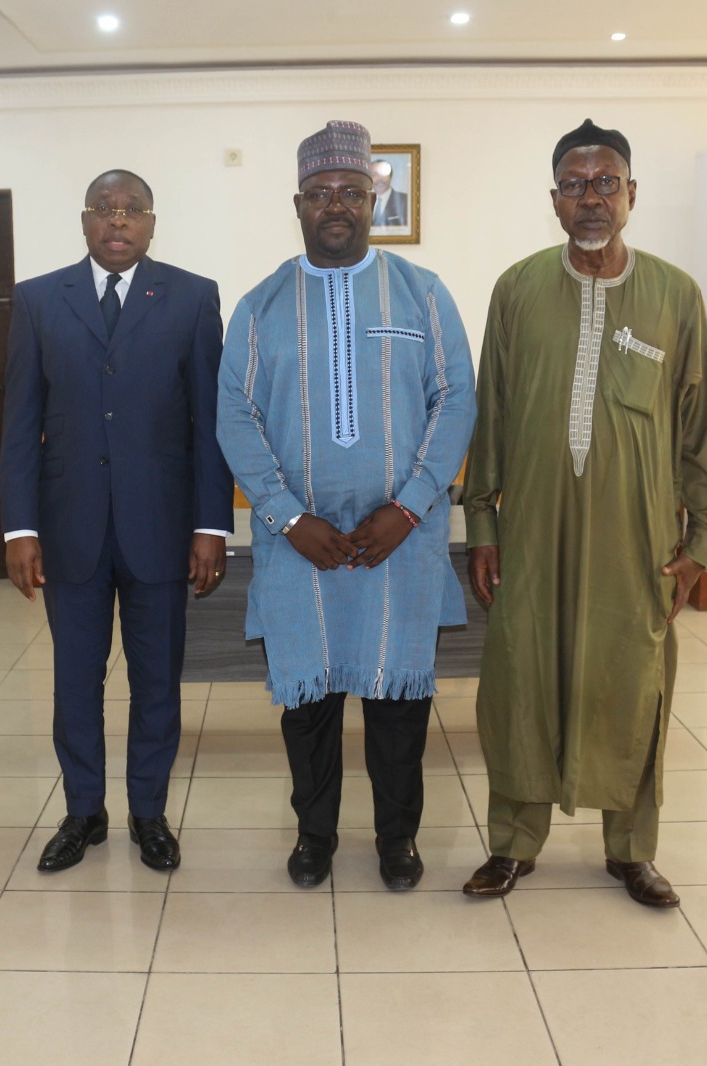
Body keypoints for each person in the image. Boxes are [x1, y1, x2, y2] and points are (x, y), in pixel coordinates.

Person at [461, 119, 707, 908]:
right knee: (522, 682)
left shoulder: (674, 295)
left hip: (634, 537)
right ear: (554, 200)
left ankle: (631, 851)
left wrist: (702, 543)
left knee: (631, 683)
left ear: (631, 194)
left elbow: (699, 427)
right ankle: (513, 845)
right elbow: (491, 414)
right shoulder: (517, 289)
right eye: (575, 185)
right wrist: (482, 527)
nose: (591, 199)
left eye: (606, 183)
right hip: (533, 533)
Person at [217, 120, 476, 891]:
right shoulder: (261, 306)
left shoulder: (423, 294)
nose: (336, 205)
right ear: (298, 204)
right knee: (310, 705)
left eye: (352, 192)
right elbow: (235, 415)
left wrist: (412, 505)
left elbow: (456, 400)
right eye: (321, 193)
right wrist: (287, 516)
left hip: (401, 540)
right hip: (300, 545)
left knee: (398, 704)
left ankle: (398, 839)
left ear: (373, 201)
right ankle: (315, 836)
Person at [1, 169, 232, 874]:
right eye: (105, 208)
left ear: (152, 223)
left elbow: (209, 423)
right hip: (68, 528)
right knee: (76, 683)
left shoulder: (192, 297)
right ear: (85, 220)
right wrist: (19, 529)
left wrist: (212, 525)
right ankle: (83, 812)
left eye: (133, 209)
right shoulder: (39, 300)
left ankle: (149, 814)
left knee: (157, 681)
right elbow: (21, 423)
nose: (119, 220)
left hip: (161, 527)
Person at [370, 159, 410, 228]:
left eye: (383, 174)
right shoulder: (363, 201)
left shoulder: (405, 200)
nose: (379, 178)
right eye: (374, 175)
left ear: (390, 177)